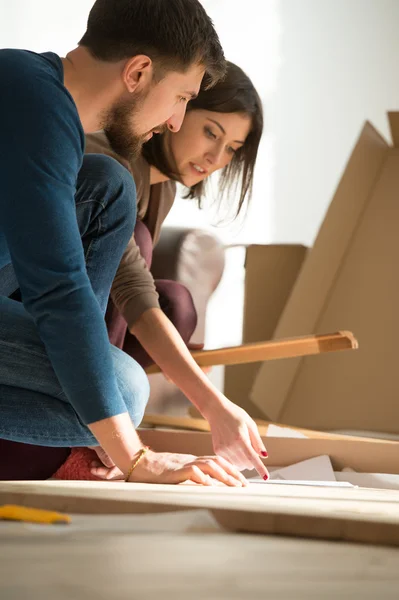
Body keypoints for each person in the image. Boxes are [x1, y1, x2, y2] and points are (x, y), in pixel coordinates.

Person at [0, 0, 257, 487]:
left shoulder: (46, 104)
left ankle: (91, 427)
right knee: (122, 387)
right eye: (182, 96)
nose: (177, 120)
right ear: (138, 71)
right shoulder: (35, 101)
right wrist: (137, 458)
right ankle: (91, 434)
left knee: (106, 186)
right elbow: (59, 288)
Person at [82, 60, 269, 482]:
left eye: (232, 149)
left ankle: (100, 427)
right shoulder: (108, 162)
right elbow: (128, 289)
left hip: (86, 326)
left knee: (177, 305)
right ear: (178, 109)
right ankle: (97, 432)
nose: (216, 158)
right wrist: (215, 406)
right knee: (142, 254)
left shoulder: (160, 183)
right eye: (211, 132)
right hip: (36, 317)